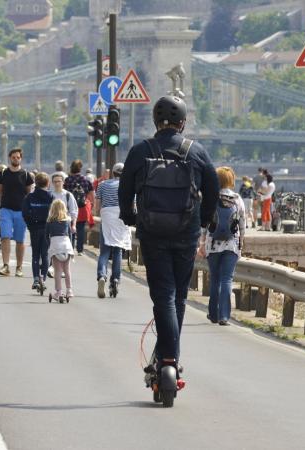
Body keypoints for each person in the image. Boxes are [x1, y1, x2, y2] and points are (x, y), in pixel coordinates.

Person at [118, 95, 218, 384]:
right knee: (179, 298)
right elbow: (212, 188)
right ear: (183, 123)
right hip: (186, 234)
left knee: (162, 295)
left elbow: (125, 190)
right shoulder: (196, 151)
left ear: (154, 121)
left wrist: (130, 216)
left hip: (152, 233)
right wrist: (204, 220)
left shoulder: (141, 150)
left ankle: (167, 357)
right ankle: (171, 357)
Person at [200, 166, 245, 326]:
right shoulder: (237, 199)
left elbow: (204, 223)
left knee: (215, 279)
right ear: (231, 180)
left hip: (213, 244)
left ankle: (213, 314)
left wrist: (202, 243)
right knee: (227, 279)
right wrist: (241, 243)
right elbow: (242, 224)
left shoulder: (211, 198)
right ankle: (224, 316)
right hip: (232, 244)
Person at [95, 162, 131, 298]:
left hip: (107, 217)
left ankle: (101, 275)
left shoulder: (102, 185)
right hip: (121, 217)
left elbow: (97, 207)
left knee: (104, 251)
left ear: (113, 173)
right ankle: (115, 279)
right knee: (118, 250)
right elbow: (132, 204)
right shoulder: (127, 186)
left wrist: (99, 215)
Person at [0, 148, 34, 277]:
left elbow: (29, 192)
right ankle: (6, 265)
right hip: (5, 209)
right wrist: (3, 200)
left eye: (18, 157)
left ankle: (19, 267)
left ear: (21, 159)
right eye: (13, 157)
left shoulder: (26, 174)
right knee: (5, 236)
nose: (16, 159)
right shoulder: (3, 173)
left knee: (19, 240)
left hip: (20, 211)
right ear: (9, 158)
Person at [22, 172, 54, 291]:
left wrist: (30, 225)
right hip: (47, 228)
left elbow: (25, 213)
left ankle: (36, 278)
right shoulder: (51, 197)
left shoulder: (29, 197)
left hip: (34, 228)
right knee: (45, 255)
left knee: (35, 254)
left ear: (36, 183)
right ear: (48, 183)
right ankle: (43, 278)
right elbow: (54, 214)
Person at [64, 159, 94, 255]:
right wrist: (91, 205)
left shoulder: (68, 180)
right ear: (80, 168)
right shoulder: (85, 180)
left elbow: (64, 193)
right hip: (82, 208)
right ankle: (80, 250)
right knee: (80, 229)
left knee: (71, 227)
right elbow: (91, 194)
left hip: (70, 208)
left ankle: (71, 247)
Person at [47, 199, 75, 302]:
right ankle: (69, 290)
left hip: (56, 247)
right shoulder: (67, 221)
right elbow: (70, 234)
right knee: (67, 270)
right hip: (66, 246)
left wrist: (49, 244)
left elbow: (47, 235)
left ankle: (58, 292)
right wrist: (71, 246)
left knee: (57, 271)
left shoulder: (49, 222)